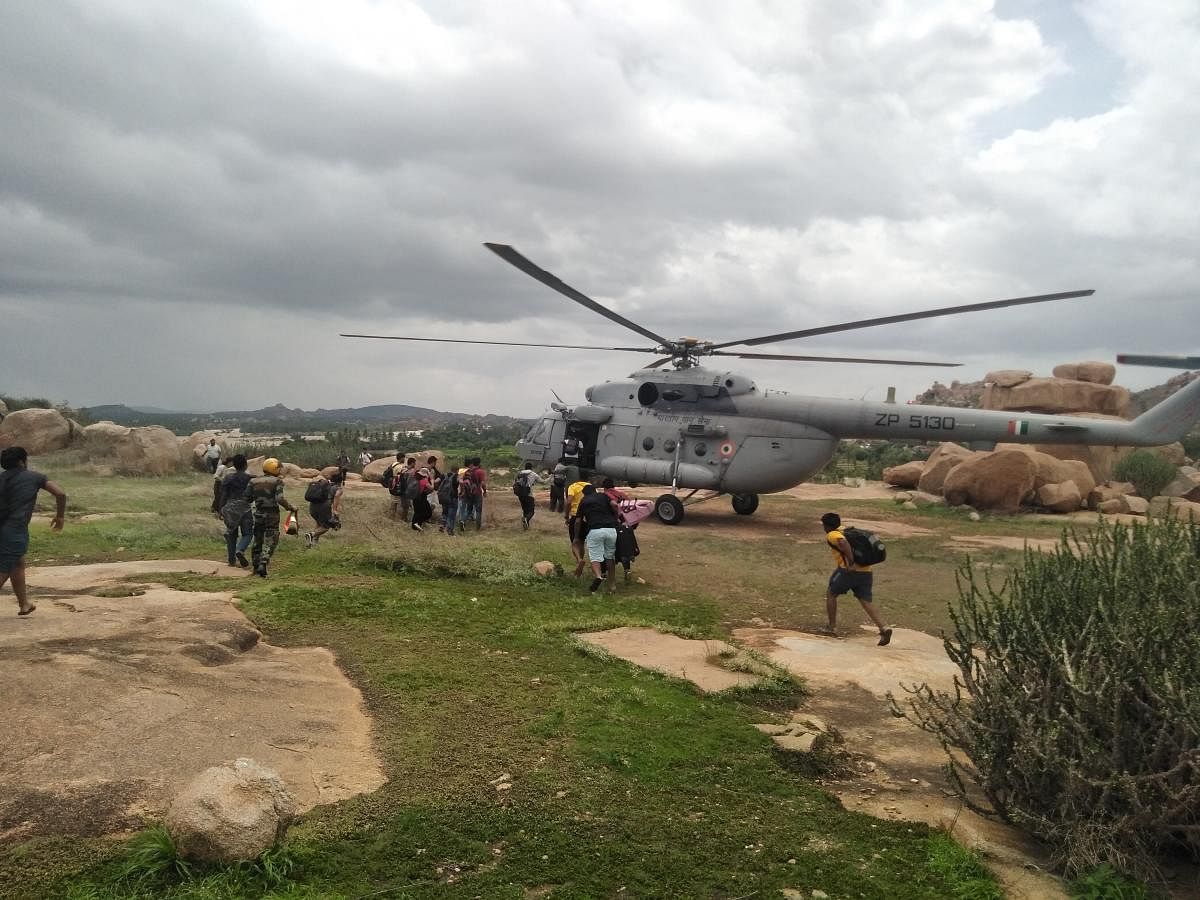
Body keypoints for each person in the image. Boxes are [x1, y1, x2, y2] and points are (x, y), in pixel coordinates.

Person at [0, 447, 66, 616]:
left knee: (17, 562)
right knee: (4, 568)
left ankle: (24, 604)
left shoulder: (2, 478)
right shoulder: (35, 477)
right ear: (23, 461)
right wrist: (60, 517)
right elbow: (60, 493)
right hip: (13, 529)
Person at [820, 512, 892, 646]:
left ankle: (832, 627)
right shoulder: (845, 529)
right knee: (865, 601)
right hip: (866, 571)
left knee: (831, 593)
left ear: (826, 526)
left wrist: (851, 563)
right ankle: (884, 627)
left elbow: (843, 543)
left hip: (848, 571)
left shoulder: (832, 534)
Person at [244, 457, 299, 578]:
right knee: (272, 539)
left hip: (258, 514)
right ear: (274, 468)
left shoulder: (253, 481)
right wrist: (289, 507)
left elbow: (247, 498)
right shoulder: (277, 481)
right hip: (272, 515)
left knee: (257, 540)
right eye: (278, 468)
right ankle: (263, 563)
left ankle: (255, 568)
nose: (280, 470)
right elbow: (279, 498)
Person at [576, 484, 619, 593]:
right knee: (610, 557)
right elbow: (615, 505)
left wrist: (577, 536)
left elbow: (578, 521)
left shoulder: (584, 501)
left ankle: (599, 576)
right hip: (610, 530)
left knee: (595, 557)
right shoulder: (603, 496)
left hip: (595, 530)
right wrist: (616, 518)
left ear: (584, 493)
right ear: (595, 490)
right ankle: (612, 585)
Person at [219, 454, 254, 568]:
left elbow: (223, 495)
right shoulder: (250, 478)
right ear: (245, 465)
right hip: (244, 508)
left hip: (230, 508)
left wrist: (221, 509)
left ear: (234, 465)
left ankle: (231, 561)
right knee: (248, 533)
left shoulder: (228, 478)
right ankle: (240, 549)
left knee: (231, 534)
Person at [305, 470, 343, 547]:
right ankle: (311, 535)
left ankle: (312, 544)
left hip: (313, 505)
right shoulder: (338, 488)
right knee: (326, 527)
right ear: (340, 481)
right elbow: (336, 497)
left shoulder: (324, 484)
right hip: (324, 507)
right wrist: (335, 511)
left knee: (319, 524)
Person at [563, 477, 591, 576]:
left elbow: (569, 501)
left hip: (576, 517)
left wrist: (566, 516)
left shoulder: (573, 487)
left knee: (575, 542)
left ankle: (579, 560)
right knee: (582, 542)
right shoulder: (590, 487)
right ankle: (580, 565)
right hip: (587, 518)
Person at [457, 458, 483, 533]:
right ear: (470, 464)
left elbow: (460, 480)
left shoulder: (461, 470)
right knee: (472, 508)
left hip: (462, 492)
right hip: (469, 492)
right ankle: (469, 521)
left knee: (462, 507)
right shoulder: (470, 471)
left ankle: (461, 520)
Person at [514, 464, 541, 529]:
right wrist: (550, 477)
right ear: (532, 468)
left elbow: (515, 483)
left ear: (525, 467)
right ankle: (526, 519)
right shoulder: (533, 474)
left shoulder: (520, 473)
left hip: (520, 495)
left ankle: (526, 527)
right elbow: (543, 482)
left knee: (525, 511)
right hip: (529, 495)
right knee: (531, 511)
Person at [437, 464, 459, 535]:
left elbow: (436, 481)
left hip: (444, 497)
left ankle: (443, 525)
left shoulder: (444, 475)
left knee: (445, 512)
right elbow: (461, 482)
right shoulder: (456, 476)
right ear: (457, 471)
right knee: (451, 515)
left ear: (451, 469)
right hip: (453, 497)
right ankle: (450, 530)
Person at [411, 467, 434, 531]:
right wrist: (432, 481)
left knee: (417, 512)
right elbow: (431, 488)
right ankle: (416, 523)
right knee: (428, 513)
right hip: (421, 498)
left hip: (415, 497)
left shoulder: (416, 478)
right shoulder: (424, 480)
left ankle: (415, 526)